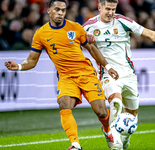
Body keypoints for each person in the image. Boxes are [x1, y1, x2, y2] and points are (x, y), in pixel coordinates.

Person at [4, 0, 119, 150]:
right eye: (57, 9)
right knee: (64, 105)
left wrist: (108, 66)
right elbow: (32, 61)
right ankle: (75, 144)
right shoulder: (41, 33)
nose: (60, 13)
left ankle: (107, 129)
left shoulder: (75, 27)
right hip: (66, 77)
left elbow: (91, 48)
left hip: (86, 73)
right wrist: (19, 66)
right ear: (49, 11)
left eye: (63, 10)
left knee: (101, 111)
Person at [83, 0, 155, 149]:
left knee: (132, 116)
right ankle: (115, 143)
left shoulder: (122, 21)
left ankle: (126, 136)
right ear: (99, 7)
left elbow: (149, 34)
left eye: (113, 9)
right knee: (115, 103)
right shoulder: (88, 26)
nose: (110, 12)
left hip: (128, 75)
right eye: (107, 9)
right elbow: (71, 41)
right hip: (108, 74)